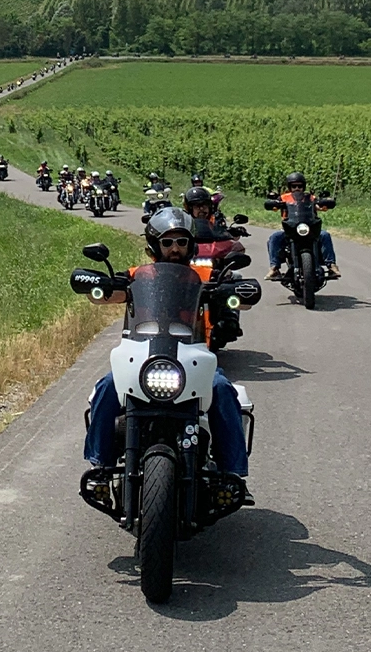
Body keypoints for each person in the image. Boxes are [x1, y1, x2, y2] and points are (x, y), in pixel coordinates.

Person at [83, 207, 252, 495]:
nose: (175, 249)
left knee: (223, 389)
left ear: (190, 245)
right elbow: (101, 296)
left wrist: (234, 290)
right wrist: (101, 285)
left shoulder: (206, 275)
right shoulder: (137, 277)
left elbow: (243, 299)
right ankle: (100, 468)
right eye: (168, 242)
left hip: (193, 357)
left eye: (182, 242)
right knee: (108, 386)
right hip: (142, 356)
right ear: (154, 245)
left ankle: (232, 475)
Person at [265, 172, 340, 280]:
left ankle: (332, 266)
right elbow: (274, 206)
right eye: (293, 186)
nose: (297, 188)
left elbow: (319, 205)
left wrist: (324, 203)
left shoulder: (310, 197)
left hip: (309, 227)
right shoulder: (284, 198)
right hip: (289, 228)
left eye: (299, 186)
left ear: (303, 186)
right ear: (289, 187)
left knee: (325, 235)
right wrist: (273, 204)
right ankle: (274, 268)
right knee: (274, 237)